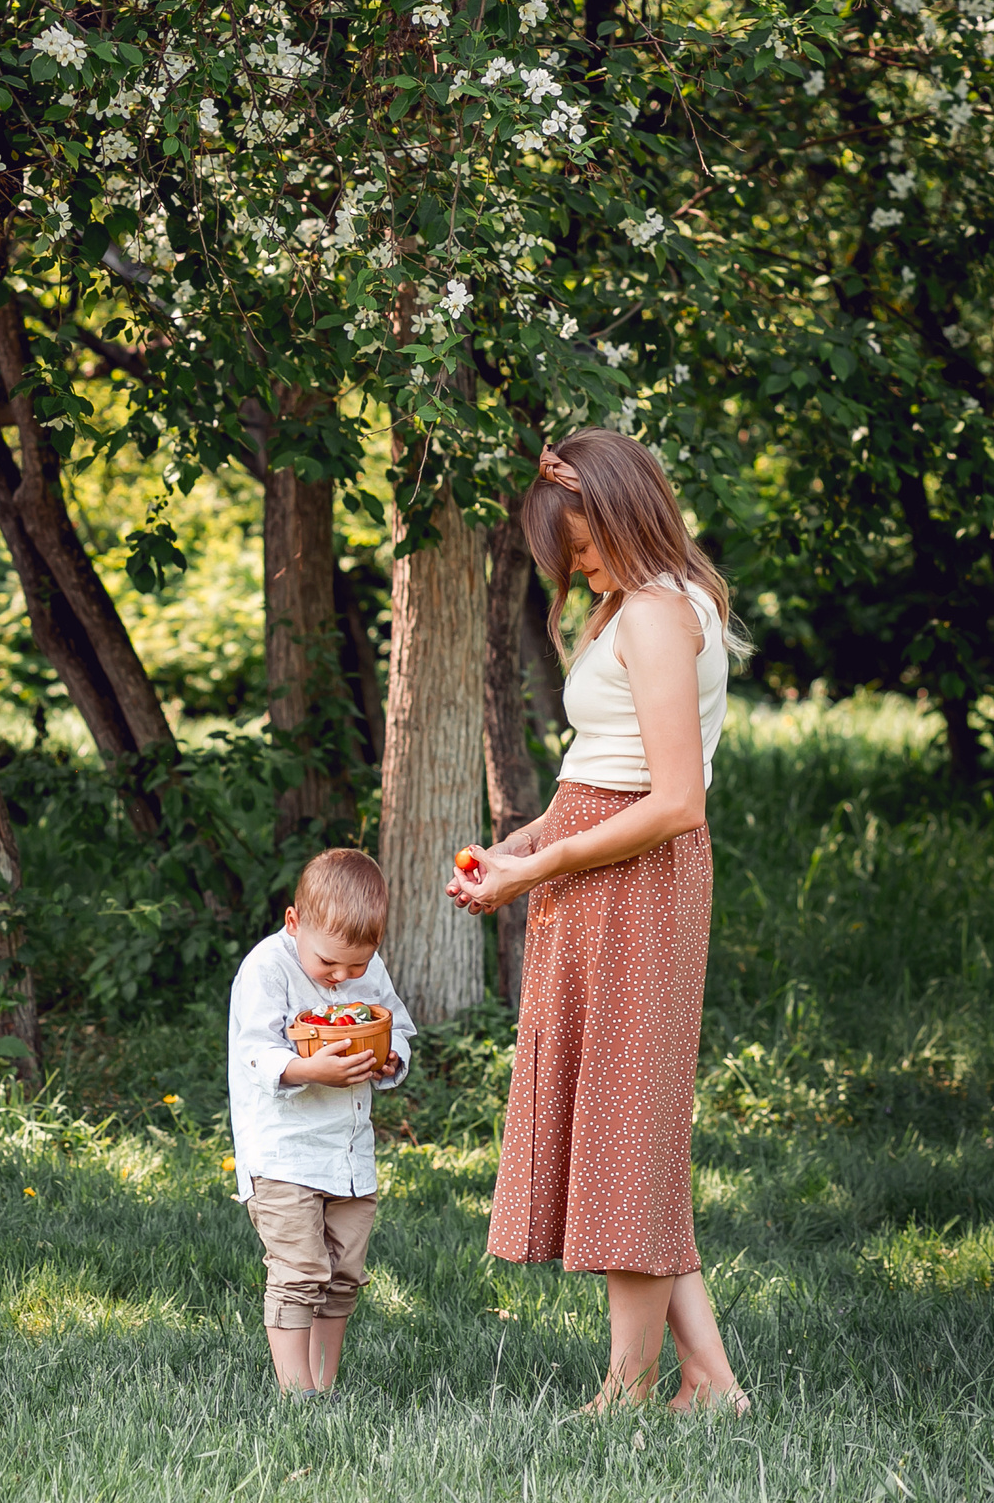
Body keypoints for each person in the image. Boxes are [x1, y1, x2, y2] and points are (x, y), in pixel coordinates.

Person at [446, 431, 750, 1414]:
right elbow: (599, 760)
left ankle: (627, 1389)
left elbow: (672, 802)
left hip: (636, 879)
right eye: (568, 555)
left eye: (582, 545)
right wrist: (523, 839)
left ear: (625, 512)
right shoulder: (635, 602)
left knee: (627, 1132)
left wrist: (545, 862)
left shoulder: (660, 613)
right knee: (625, 1127)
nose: (577, 567)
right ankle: (708, 1380)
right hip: (592, 864)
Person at [227, 848, 414, 1394]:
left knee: (343, 1277)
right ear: (294, 922)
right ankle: (296, 1393)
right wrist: (309, 1069)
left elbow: (397, 1026)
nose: (341, 978)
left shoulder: (366, 968)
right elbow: (255, 1051)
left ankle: (323, 1387)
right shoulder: (267, 968)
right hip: (284, 1155)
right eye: (329, 963)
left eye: (356, 966)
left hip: (350, 1155)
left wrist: (391, 1058)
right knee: (300, 1272)